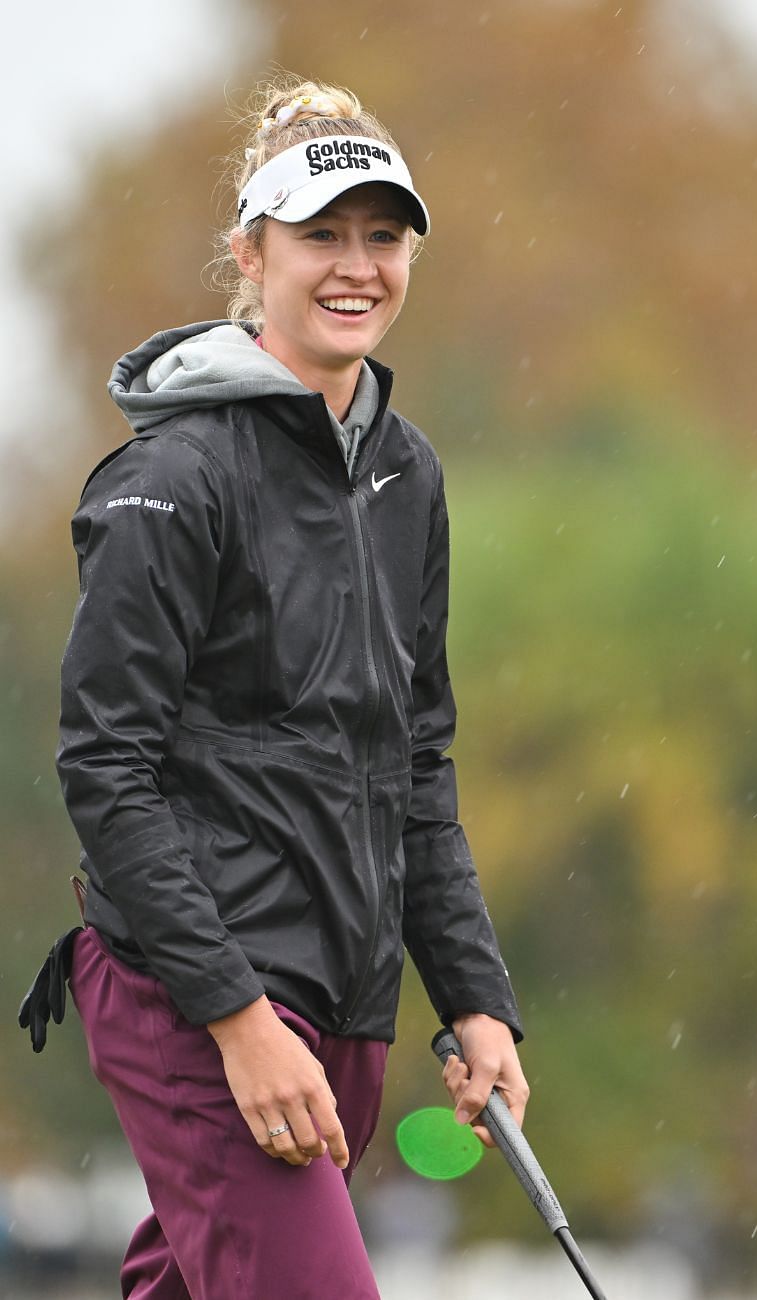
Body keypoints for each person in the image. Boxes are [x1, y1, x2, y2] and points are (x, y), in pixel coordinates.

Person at [17, 76, 527, 1299]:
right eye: (320, 236)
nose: (356, 266)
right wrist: (238, 1020)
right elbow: (105, 767)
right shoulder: (173, 478)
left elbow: (415, 766)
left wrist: (477, 998)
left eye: (382, 236)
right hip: (193, 997)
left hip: (343, 1006)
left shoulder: (409, 477)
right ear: (251, 253)